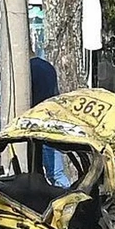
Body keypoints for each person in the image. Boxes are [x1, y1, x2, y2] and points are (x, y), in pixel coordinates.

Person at [29, 52, 71, 188]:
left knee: (54, 174)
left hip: (38, 124)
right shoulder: (47, 66)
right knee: (56, 172)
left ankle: (69, 198)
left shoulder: (27, 69)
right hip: (52, 121)